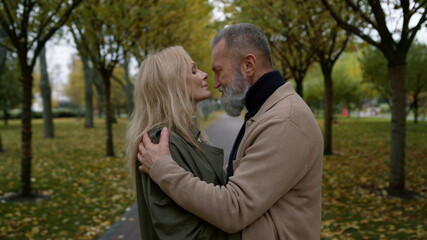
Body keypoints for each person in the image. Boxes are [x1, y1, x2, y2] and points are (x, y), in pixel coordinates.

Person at [138, 23, 324, 240]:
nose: (215, 82)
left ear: (248, 65)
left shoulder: (285, 120)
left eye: (219, 71)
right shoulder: (264, 112)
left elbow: (234, 208)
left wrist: (163, 169)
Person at [126, 46, 241, 240]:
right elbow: (184, 234)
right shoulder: (160, 144)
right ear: (172, 83)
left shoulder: (185, 137)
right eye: (194, 71)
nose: (205, 75)